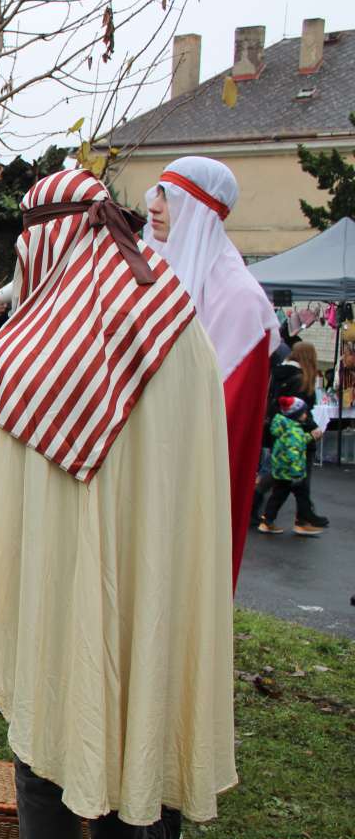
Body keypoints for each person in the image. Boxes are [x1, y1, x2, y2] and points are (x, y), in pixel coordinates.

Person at [0, 169, 234, 839]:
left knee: (52, 730)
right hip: (150, 582)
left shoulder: (33, 346)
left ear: (46, 238)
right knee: (124, 713)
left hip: (55, 583)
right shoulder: (180, 327)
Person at [144, 156, 281, 584]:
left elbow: (225, 421)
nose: (154, 206)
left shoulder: (241, 301)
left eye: (170, 197)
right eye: (157, 193)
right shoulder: (158, 274)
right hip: (144, 461)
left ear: (199, 211)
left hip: (185, 475)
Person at [259, 397, 323, 536]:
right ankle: (308, 518)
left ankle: (267, 521)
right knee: (301, 494)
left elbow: (296, 442)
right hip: (291, 473)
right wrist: (297, 474)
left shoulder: (286, 427)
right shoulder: (294, 430)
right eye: (303, 412)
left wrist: (310, 436)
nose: (306, 415)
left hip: (281, 470)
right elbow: (293, 452)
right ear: (295, 414)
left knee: (278, 496)